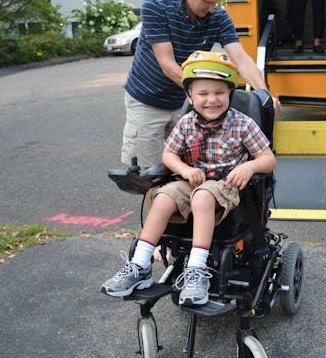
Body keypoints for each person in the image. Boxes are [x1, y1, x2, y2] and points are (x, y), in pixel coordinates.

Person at [102, 51, 277, 306]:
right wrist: (184, 170)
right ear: (190, 96)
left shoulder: (243, 124)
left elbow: (268, 159)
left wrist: (249, 167)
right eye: (203, 94)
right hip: (192, 180)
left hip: (225, 186)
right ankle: (140, 265)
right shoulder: (186, 124)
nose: (211, 100)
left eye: (219, 92)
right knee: (162, 198)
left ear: (230, 92)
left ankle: (196, 271)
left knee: (203, 197)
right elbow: (169, 155)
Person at [121, 0, 281, 169]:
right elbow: (167, 64)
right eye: (207, 2)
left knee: (190, 167)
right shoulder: (156, 6)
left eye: (216, 3)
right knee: (150, 171)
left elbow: (241, 58)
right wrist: (204, 93)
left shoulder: (218, 17)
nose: (213, 9)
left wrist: (265, 95)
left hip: (189, 102)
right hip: (148, 100)